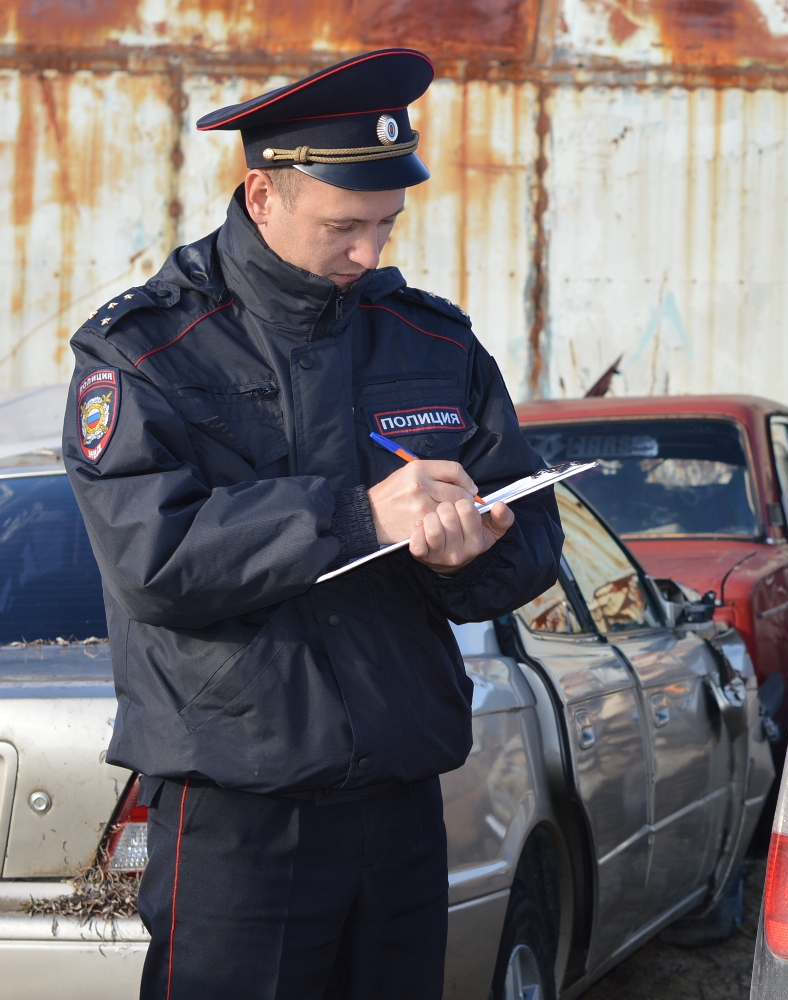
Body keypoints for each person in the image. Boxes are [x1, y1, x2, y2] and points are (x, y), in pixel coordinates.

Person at [61, 48, 563, 1000]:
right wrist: (355, 516)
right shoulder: (145, 352)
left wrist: (468, 556)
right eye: (345, 226)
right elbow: (151, 558)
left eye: (386, 223)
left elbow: (532, 533)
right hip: (238, 819)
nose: (370, 254)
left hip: (401, 804)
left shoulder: (429, 339)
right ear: (261, 195)